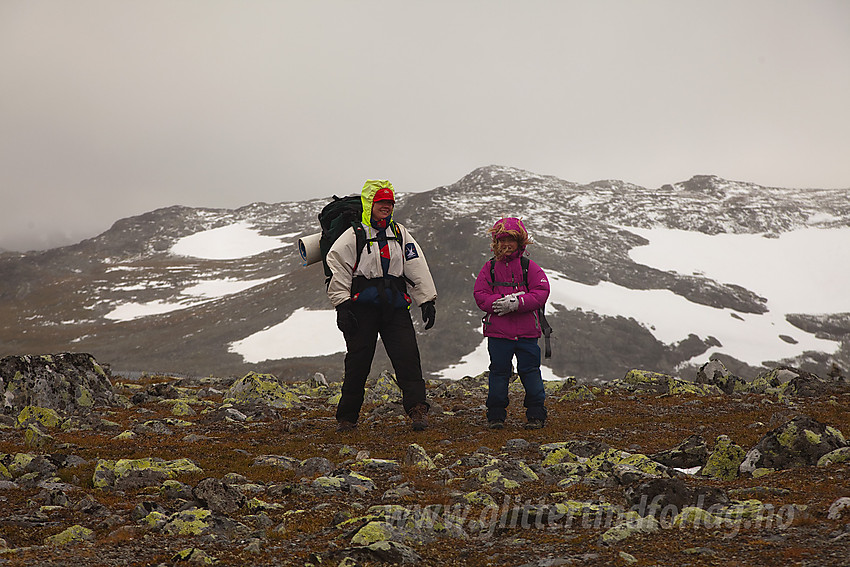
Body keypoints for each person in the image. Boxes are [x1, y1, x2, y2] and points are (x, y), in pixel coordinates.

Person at [326, 180, 437, 432]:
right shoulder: (354, 235)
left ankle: (418, 410)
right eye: (381, 203)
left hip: (395, 305)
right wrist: (342, 306)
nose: (385, 207)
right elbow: (338, 268)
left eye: (389, 203)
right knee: (358, 361)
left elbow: (415, 264)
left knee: (408, 357)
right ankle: (347, 418)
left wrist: (426, 299)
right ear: (370, 204)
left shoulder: (399, 233)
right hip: (361, 308)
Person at [473, 217, 550, 430]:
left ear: (520, 243)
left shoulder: (529, 267)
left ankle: (536, 414)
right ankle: (496, 416)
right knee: (499, 373)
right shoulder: (489, 268)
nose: (506, 245)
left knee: (530, 371)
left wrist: (518, 302)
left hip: (526, 333)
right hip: (499, 334)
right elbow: (480, 294)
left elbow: (542, 291)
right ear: (495, 243)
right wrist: (498, 303)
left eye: (511, 240)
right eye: (502, 240)